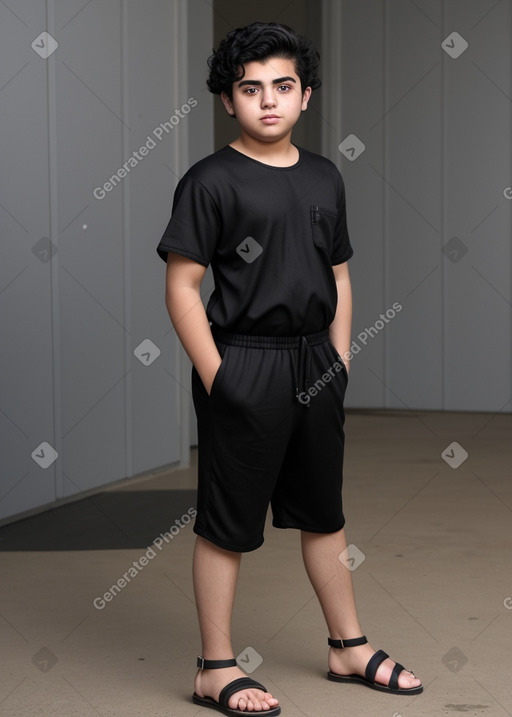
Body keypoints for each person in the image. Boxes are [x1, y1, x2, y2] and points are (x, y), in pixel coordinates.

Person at [157, 21, 423, 716]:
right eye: (251, 89)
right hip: (242, 357)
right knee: (226, 522)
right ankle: (215, 666)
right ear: (228, 101)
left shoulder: (324, 177)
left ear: (305, 96)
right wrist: (221, 377)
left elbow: (339, 274)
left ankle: (348, 644)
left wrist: (337, 359)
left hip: (313, 361)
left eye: (283, 87)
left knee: (324, 514)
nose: (268, 101)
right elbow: (182, 288)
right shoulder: (209, 181)